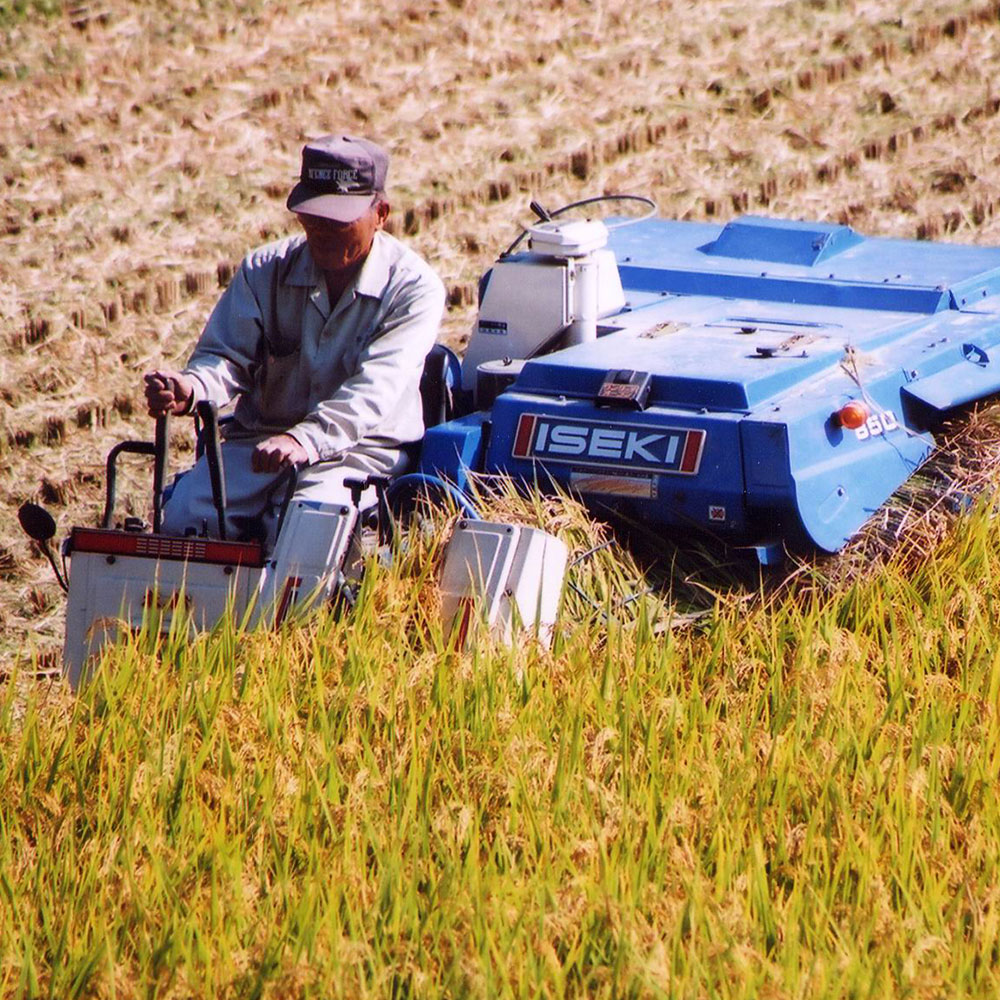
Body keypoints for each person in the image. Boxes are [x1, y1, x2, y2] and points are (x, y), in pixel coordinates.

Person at [143, 134, 446, 545]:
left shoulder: (414, 289)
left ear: (381, 214)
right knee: (185, 516)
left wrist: (305, 438)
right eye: (312, 218)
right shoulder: (265, 270)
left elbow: (375, 389)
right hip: (258, 442)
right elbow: (227, 358)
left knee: (305, 529)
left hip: (361, 452)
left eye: (339, 221)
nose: (322, 232)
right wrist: (193, 387)